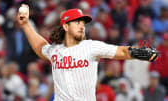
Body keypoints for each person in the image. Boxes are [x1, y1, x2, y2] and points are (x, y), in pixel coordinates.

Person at [17, 4, 159, 101]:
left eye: (83, 23)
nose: (82, 26)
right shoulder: (55, 50)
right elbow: (41, 48)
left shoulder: (91, 47)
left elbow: (121, 51)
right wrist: (25, 25)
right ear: (66, 26)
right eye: (77, 22)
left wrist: (137, 52)